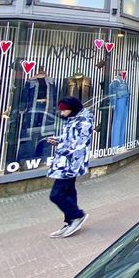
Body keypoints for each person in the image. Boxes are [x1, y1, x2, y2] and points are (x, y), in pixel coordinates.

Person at [47, 97, 93, 238]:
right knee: (68, 191)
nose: (62, 113)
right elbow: (70, 138)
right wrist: (58, 140)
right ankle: (70, 221)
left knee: (56, 195)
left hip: (70, 164)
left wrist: (62, 147)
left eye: (64, 110)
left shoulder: (83, 121)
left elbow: (80, 144)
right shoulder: (72, 118)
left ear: (72, 108)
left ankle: (77, 215)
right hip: (65, 162)